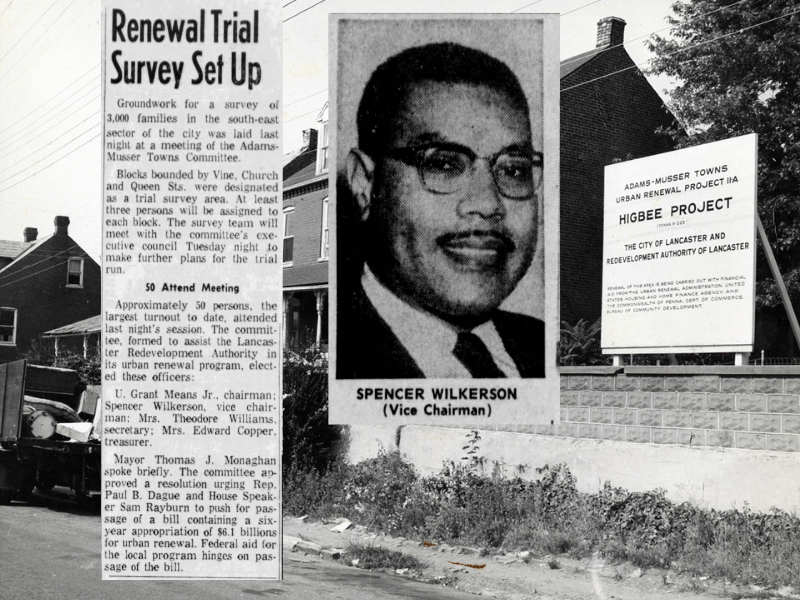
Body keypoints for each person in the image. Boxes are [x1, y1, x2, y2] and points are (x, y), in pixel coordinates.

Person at [337, 42, 545, 379]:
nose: (487, 204)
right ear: (365, 184)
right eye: (444, 164)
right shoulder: (342, 356)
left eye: (513, 169)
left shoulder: (540, 347)